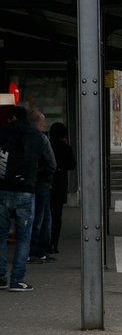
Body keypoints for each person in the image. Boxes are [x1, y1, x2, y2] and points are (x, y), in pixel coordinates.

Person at [0, 106, 47, 292]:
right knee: (24, 238)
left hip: (2, 189)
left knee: (1, 236)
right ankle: (17, 279)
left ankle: (1, 277)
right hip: (26, 191)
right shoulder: (37, 136)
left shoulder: (3, 133)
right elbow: (48, 163)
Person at [28, 110, 56, 263]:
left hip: (30, 181)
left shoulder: (22, 137)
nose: (44, 124)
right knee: (42, 217)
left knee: (37, 217)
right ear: (36, 122)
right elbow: (51, 163)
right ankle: (39, 250)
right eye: (42, 121)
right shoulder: (42, 138)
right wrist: (47, 174)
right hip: (42, 182)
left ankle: (36, 250)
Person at [47, 122, 76, 254]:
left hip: (45, 184)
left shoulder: (47, 145)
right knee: (57, 216)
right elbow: (72, 165)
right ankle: (54, 243)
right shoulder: (66, 148)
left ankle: (42, 243)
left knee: (42, 215)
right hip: (60, 185)